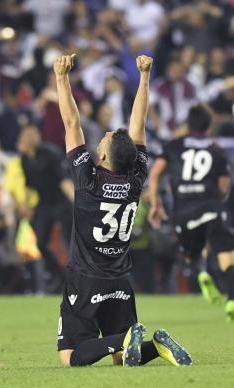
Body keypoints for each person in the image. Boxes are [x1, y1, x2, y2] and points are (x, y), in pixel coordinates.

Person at [54, 53, 191, 368]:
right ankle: (154, 346)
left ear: (102, 158)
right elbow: (139, 124)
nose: (99, 140)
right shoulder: (136, 177)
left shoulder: (87, 179)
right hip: (120, 280)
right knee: (121, 360)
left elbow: (71, 122)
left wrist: (61, 78)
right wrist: (145, 77)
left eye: (102, 141)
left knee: (71, 358)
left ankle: (126, 339)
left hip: (85, 279)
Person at [148, 104, 234, 322]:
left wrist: (156, 204)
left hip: (183, 212)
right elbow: (223, 187)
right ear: (209, 125)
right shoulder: (216, 149)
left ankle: (200, 271)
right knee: (230, 257)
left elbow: (155, 175)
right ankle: (232, 301)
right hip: (210, 207)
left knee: (192, 252)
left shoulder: (173, 146)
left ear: (187, 124)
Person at [17, 125, 74, 292]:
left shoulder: (50, 153)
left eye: (34, 133)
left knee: (69, 240)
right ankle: (60, 275)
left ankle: (76, 277)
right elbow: (28, 187)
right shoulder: (24, 160)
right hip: (43, 204)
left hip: (61, 201)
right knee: (40, 242)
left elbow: (64, 180)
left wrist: (77, 202)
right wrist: (26, 206)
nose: (31, 137)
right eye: (27, 134)